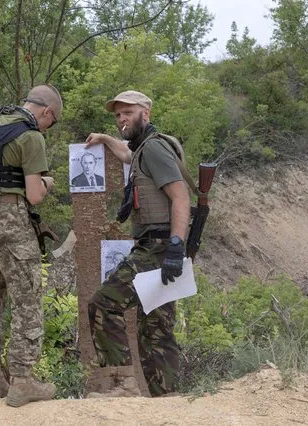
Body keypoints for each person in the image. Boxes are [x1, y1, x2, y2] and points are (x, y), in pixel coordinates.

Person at [85, 90, 190, 397]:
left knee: (103, 304)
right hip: (158, 246)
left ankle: (121, 384)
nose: (121, 119)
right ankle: (168, 398)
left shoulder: (155, 149)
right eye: (118, 115)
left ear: (146, 113)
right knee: (155, 329)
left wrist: (175, 246)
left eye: (127, 113)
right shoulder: (146, 147)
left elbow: (180, 196)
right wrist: (105, 138)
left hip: (157, 248)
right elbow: (127, 155)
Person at [0, 85, 62, 407]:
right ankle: (22, 380)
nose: (49, 126)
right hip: (8, 219)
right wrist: (47, 183)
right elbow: (34, 195)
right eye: (53, 121)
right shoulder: (31, 136)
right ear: (46, 111)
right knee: (27, 298)